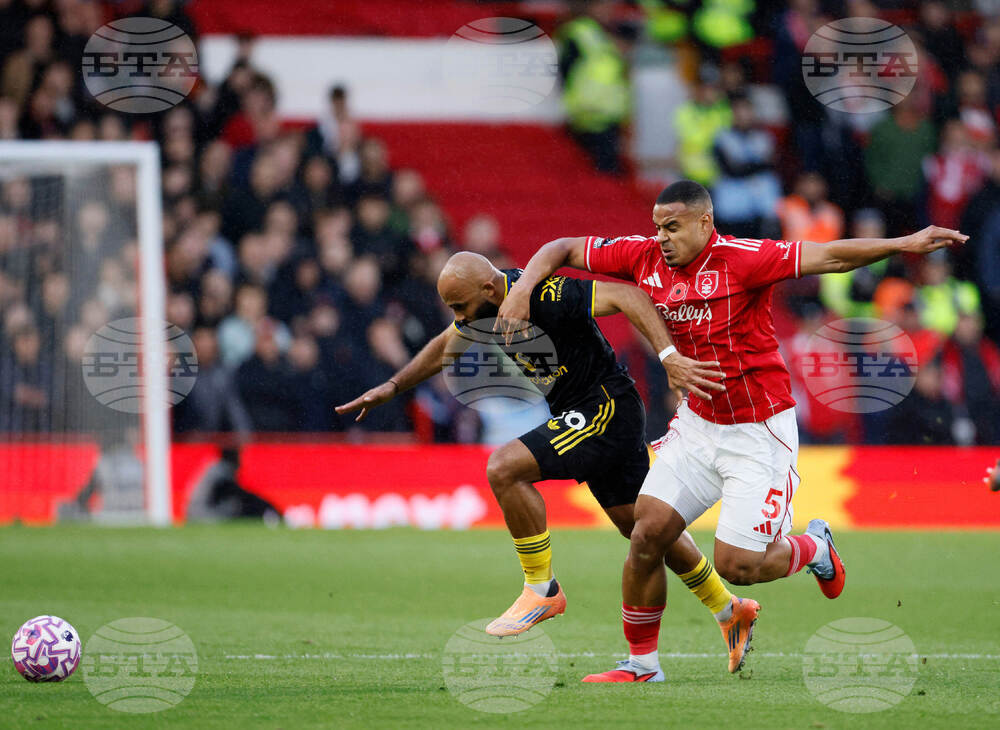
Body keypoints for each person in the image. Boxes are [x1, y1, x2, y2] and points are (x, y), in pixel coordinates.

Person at [496, 180, 968, 682]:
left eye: (672, 227)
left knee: (738, 565)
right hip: (698, 427)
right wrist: (523, 287)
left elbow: (829, 256)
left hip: (758, 433)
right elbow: (564, 248)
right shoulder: (644, 257)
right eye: (657, 227)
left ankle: (814, 548)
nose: (661, 238)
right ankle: (641, 665)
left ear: (705, 223)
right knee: (645, 534)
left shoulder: (745, 259)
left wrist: (903, 244)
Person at [337, 252, 761, 674]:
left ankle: (542, 587)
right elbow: (450, 342)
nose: (459, 317)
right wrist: (393, 386)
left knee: (504, 468)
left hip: (604, 407)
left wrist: (668, 358)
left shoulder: (545, 295)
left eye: (460, 306)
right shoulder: (482, 309)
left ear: (488, 289)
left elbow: (629, 296)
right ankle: (728, 610)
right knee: (645, 532)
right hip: (591, 411)